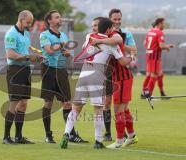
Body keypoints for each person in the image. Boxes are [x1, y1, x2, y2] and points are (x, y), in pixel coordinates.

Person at [60, 17, 133, 149]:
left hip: (83, 73)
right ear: (108, 29)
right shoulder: (112, 44)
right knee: (98, 109)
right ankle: (98, 141)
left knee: (76, 107)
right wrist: (131, 57)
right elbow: (122, 62)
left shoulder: (89, 36)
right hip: (97, 74)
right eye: (111, 28)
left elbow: (85, 48)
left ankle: (66, 133)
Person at [40, 10, 87, 144]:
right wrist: (62, 45)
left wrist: (67, 54)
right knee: (48, 102)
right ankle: (48, 135)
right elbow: (49, 50)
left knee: (67, 103)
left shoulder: (64, 35)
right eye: (57, 17)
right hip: (48, 69)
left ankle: (71, 134)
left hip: (61, 70)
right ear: (49, 21)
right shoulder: (44, 35)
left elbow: (68, 54)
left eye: (60, 17)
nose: (60, 19)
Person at [91, 8, 137, 143]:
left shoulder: (117, 35)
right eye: (114, 19)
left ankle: (119, 140)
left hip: (122, 75)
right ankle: (126, 135)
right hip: (110, 74)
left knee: (118, 108)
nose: (117, 22)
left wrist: (102, 41)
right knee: (113, 105)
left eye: (119, 19)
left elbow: (118, 41)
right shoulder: (98, 36)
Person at [3, 10, 38, 144]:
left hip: (25, 70)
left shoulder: (26, 33)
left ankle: (18, 136)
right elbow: (10, 54)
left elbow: (24, 50)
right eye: (28, 22)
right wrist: (28, 57)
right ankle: (6, 137)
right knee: (13, 104)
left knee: (23, 104)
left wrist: (34, 56)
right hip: (15, 71)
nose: (29, 25)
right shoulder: (11, 33)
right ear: (21, 19)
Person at [142, 18, 175, 98]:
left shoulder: (151, 31)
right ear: (159, 23)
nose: (164, 25)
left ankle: (161, 93)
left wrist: (150, 48)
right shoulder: (159, 32)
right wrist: (167, 46)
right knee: (154, 75)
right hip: (155, 56)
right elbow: (161, 46)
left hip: (149, 55)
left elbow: (144, 43)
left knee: (159, 74)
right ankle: (148, 94)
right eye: (163, 23)